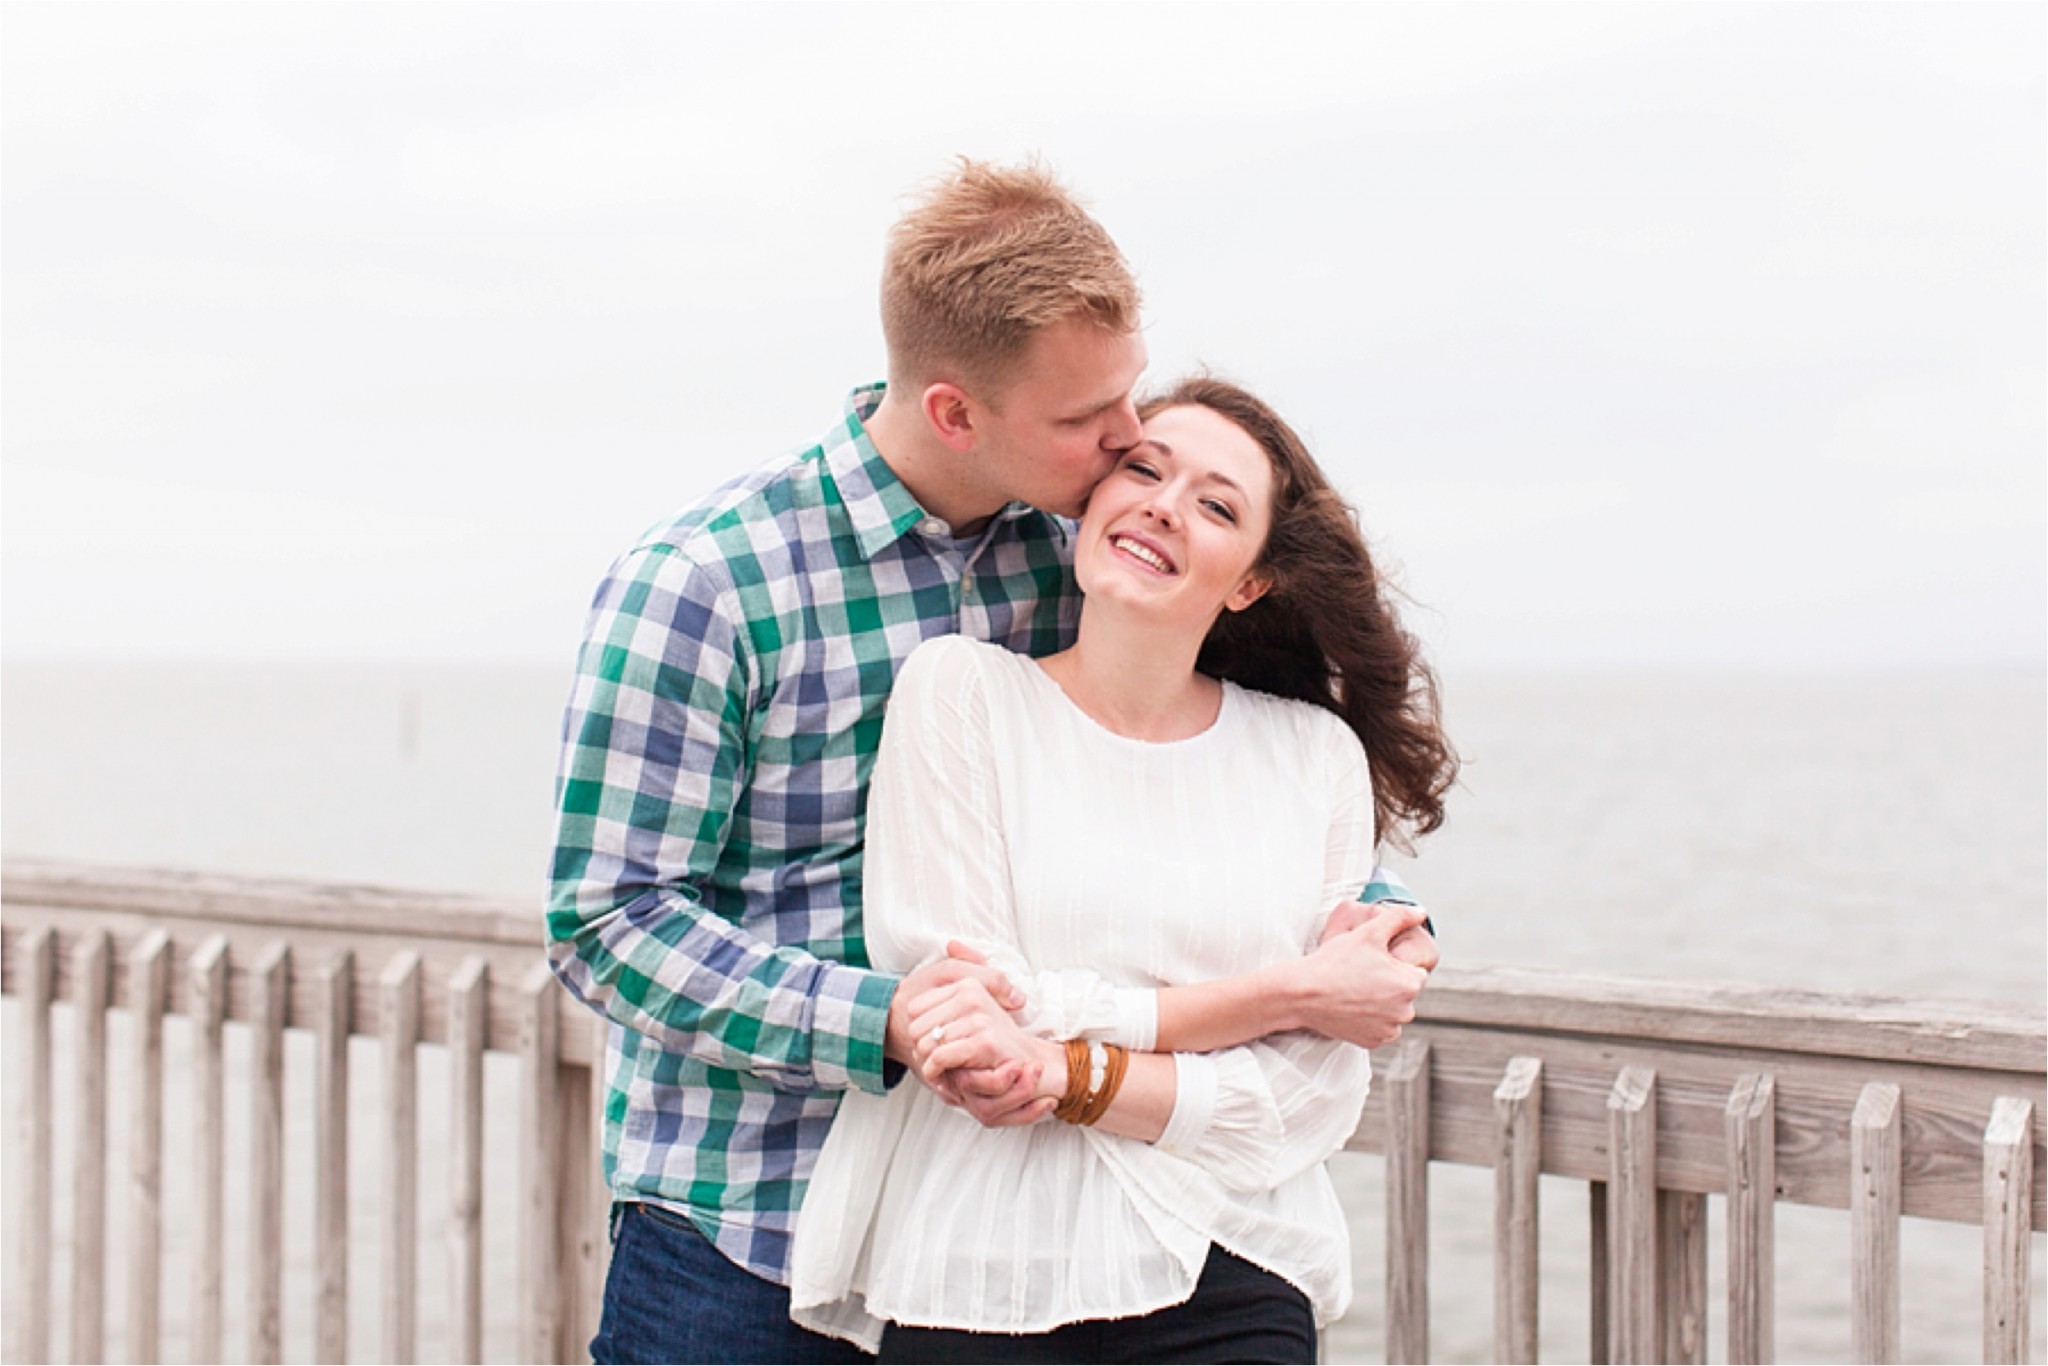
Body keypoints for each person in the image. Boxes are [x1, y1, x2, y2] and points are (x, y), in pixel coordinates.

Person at [545, 161, 1438, 1365]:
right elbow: (606, 921)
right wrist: (892, 1019)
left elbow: (1204, 752)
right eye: (1089, 420)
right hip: (742, 1224)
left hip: (1001, 1225)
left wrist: (1368, 918)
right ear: (958, 413)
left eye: (1124, 398)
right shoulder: (703, 585)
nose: (1129, 440)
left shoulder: (1076, 540)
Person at [789, 377, 1457, 1363]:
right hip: (985, 1267)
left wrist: (1070, 1071)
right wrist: (1284, 992)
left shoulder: (1312, 755)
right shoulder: (962, 691)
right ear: (1087, 507)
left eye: (1216, 503)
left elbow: (1312, 1086)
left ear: (1248, 581)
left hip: (1233, 1253)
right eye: (1142, 469)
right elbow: (970, 1019)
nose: (1162, 503)